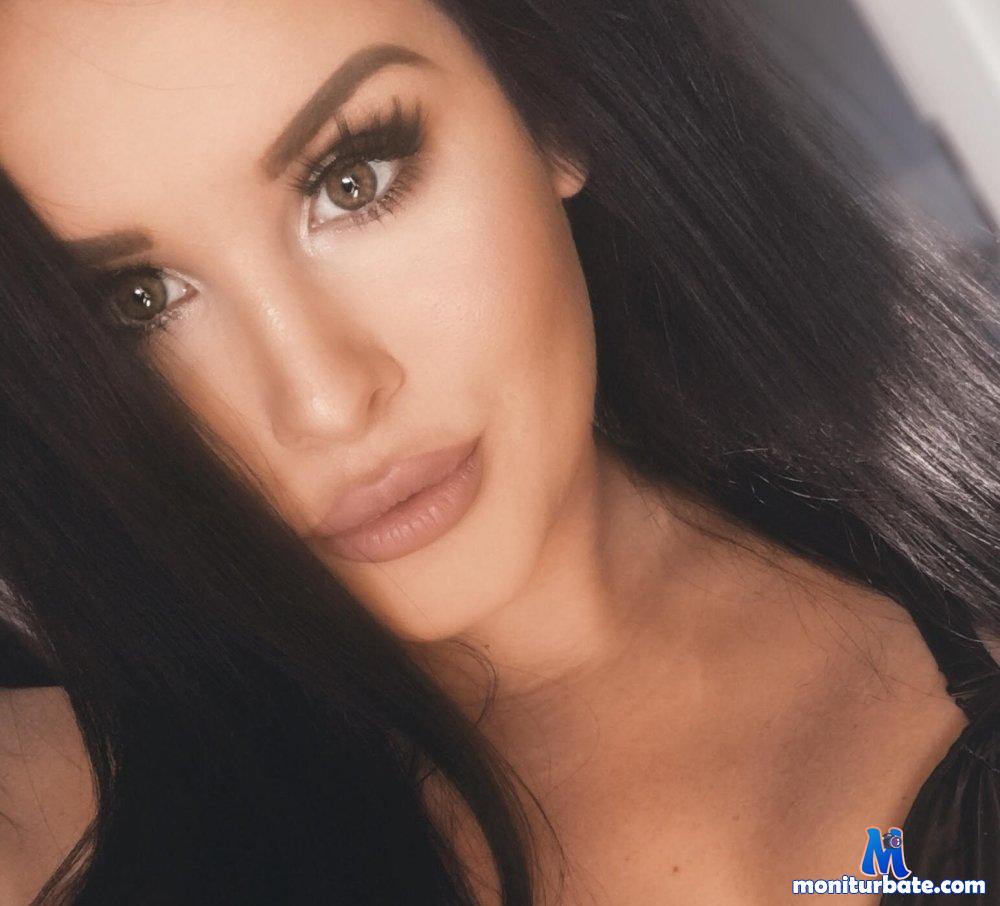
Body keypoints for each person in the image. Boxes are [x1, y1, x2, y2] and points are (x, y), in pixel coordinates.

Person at [0, 0, 997, 903]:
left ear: (549, 108)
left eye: (353, 181)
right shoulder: (52, 828)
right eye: (137, 302)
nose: (324, 401)